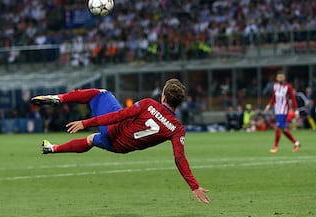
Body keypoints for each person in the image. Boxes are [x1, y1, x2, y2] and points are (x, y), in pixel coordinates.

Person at [30, 79, 210, 204]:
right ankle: (52, 148)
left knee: (100, 94)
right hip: (119, 147)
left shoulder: (149, 104)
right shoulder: (177, 129)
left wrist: (86, 122)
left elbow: (118, 116)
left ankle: (59, 98)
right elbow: (179, 158)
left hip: (114, 130)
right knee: (91, 140)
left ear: (163, 97)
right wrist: (194, 186)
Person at [264, 71, 301, 153]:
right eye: (278, 77)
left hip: (284, 110)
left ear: (284, 78)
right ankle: (296, 143)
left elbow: (293, 99)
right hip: (277, 110)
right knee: (283, 129)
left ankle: (275, 147)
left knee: (278, 128)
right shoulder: (275, 86)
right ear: (276, 78)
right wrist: (268, 106)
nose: (280, 78)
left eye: (281, 77)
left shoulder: (288, 87)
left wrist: (296, 111)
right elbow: (273, 98)